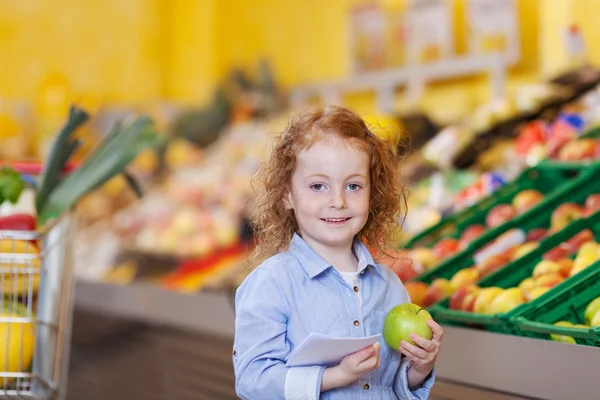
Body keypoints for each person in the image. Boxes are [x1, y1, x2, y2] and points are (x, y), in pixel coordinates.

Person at [233, 106, 442, 399]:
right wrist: (334, 377)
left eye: (354, 185)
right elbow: (252, 382)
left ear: (374, 193)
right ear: (287, 194)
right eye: (318, 186)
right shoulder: (272, 284)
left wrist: (420, 366)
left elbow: (392, 385)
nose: (338, 200)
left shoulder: (388, 286)